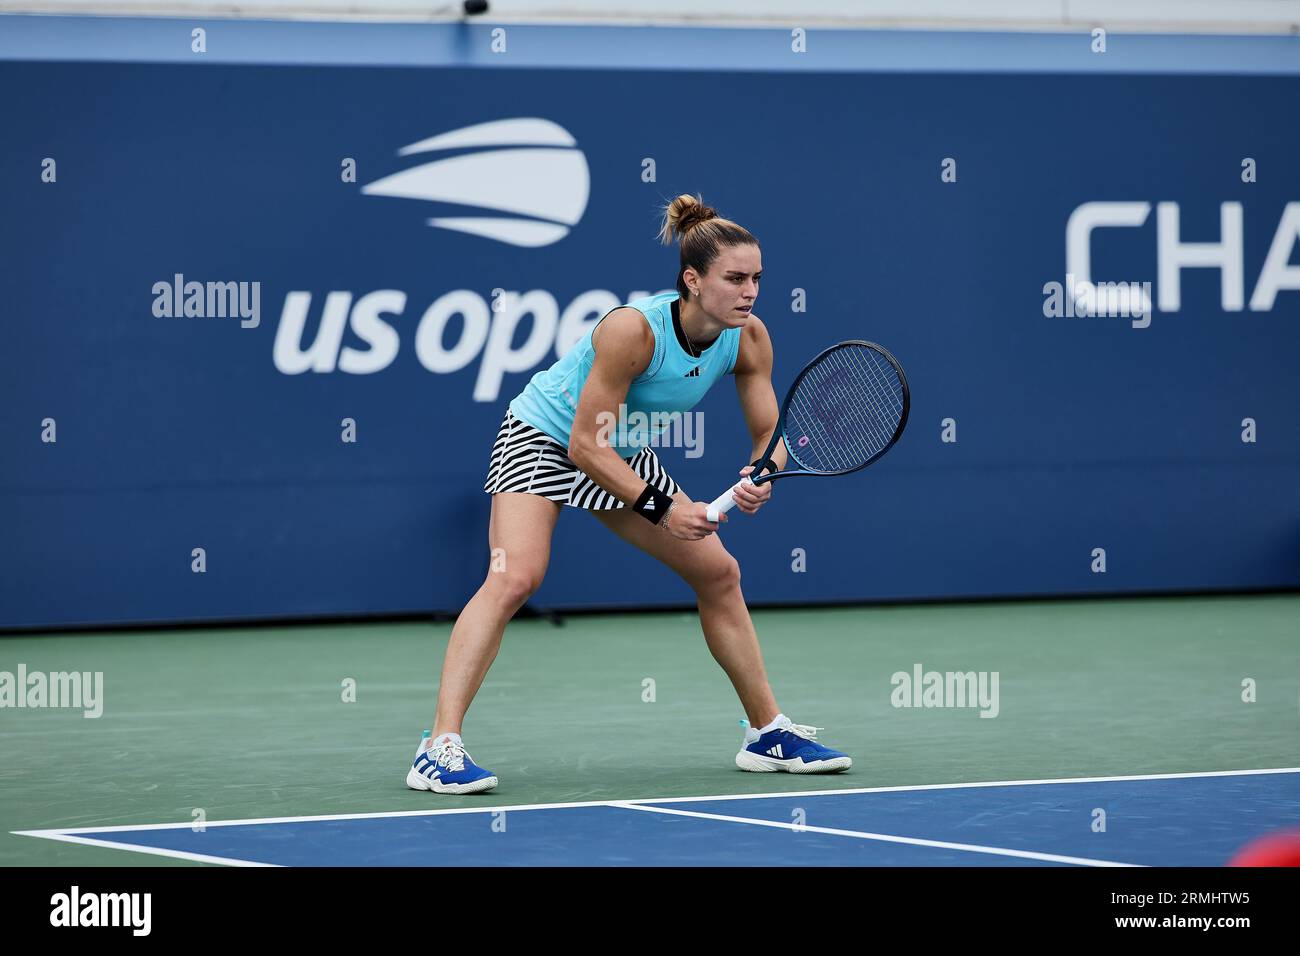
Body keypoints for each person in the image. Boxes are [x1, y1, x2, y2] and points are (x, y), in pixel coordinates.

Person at [406, 194, 852, 794]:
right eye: (735, 278)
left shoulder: (747, 339)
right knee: (515, 577)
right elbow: (585, 450)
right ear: (692, 281)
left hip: (623, 449)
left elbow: (770, 433)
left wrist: (759, 475)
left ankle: (766, 732)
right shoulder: (632, 330)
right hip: (545, 436)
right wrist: (665, 509)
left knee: (719, 574)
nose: (750, 292)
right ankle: (438, 747)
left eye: (757, 280)